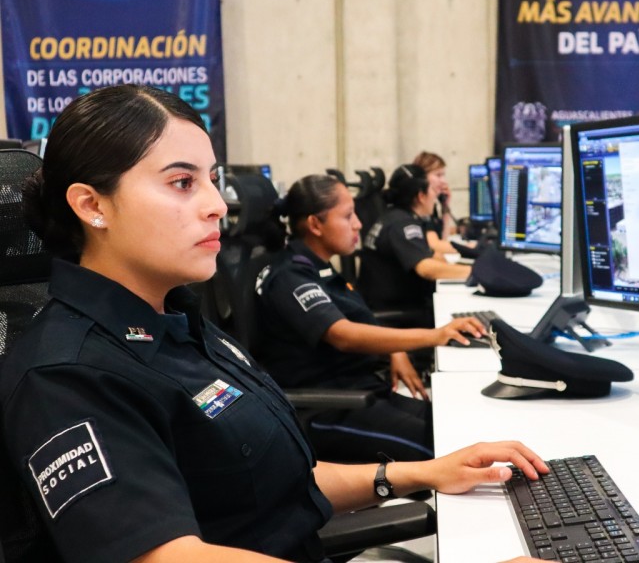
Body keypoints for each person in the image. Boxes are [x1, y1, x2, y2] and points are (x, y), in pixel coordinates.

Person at [0, 84, 550, 563]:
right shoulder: (65, 375)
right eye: (182, 182)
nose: (218, 205)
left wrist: (419, 473)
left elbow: (285, 480)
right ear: (91, 205)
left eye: (213, 180)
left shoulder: (180, 320)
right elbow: (168, 557)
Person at [253, 174, 485, 462]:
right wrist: (437, 335)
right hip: (327, 408)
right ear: (315, 224)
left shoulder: (317, 267)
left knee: (462, 426)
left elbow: (354, 317)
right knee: (450, 452)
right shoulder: (290, 277)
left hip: (361, 391)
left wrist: (396, 350)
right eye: (348, 216)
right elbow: (343, 335)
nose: (358, 224)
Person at [358, 164, 471, 322]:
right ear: (421, 196)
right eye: (432, 190)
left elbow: (430, 255)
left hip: (386, 303)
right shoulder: (403, 225)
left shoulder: (394, 216)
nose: (435, 196)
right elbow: (427, 269)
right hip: (399, 311)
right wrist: (476, 272)